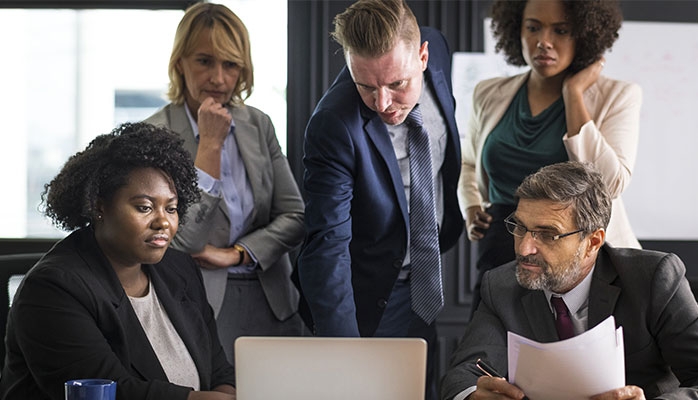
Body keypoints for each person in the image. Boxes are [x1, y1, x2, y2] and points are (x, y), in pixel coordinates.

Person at [296, 1, 463, 399]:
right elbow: (326, 244)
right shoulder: (333, 125)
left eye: (397, 84)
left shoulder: (437, 47)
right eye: (366, 86)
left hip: (426, 278)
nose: (383, 103)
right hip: (367, 298)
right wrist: (344, 353)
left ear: (422, 55)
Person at [0, 123, 236, 400]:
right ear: (100, 206)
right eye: (144, 207)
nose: (163, 222)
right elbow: (110, 391)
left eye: (171, 208)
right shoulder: (52, 288)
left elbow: (219, 371)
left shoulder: (180, 269)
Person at [441, 161, 698, 400]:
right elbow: (463, 374)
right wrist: (473, 395)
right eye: (520, 228)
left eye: (547, 234)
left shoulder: (653, 278)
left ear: (592, 243)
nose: (524, 248)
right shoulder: (502, 286)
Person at [145, 2, 306, 363]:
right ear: (180, 62)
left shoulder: (258, 124)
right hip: (199, 304)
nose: (218, 78)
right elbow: (184, 239)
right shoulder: (155, 134)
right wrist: (211, 145)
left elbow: (295, 217)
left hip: (274, 301)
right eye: (204, 61)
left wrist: (237, 253)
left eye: (230, 64)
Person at [459, 0, 642, 317]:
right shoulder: (488, 93)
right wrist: (471, 204)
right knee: (487, 355)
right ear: (516, 29)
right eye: (533, 27)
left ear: (584, 35)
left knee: (571, 357)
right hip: (503, 246)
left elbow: (609, 185)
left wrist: (574, 94)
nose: (544, 41)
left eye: (561, 30)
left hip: (574, 253)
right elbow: (469, 161)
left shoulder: (618, 96)